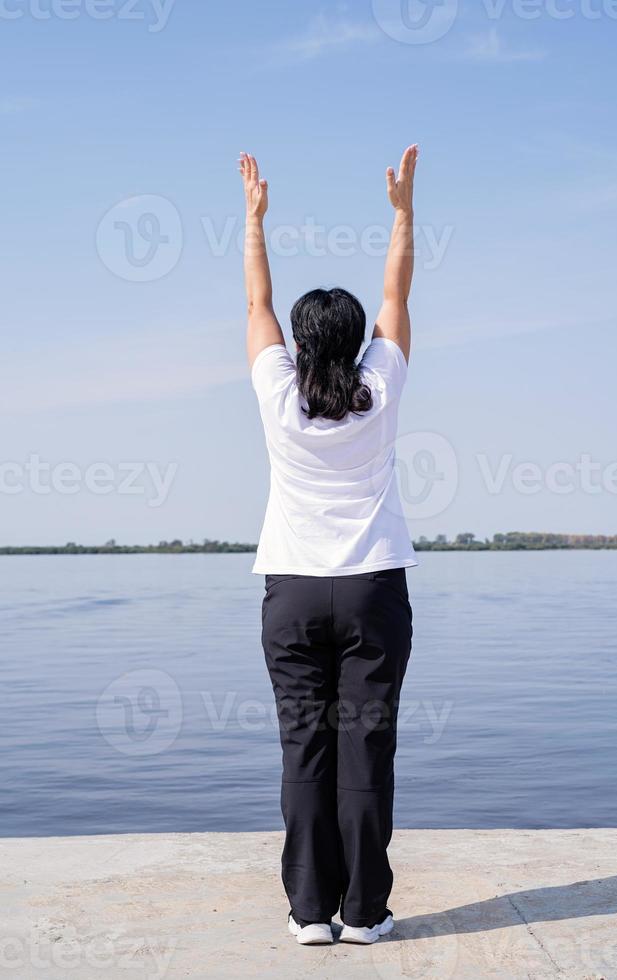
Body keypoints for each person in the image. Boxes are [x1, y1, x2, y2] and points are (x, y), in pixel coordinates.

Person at [239, 145, 419, 946]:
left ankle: (309, 914)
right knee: (365, 750)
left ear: (301, 347)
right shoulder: (377, 390)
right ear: (353, 342)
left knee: (302, 747)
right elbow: (394, 292)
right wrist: (403, 213)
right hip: (373, 586)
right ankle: (363, 913)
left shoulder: (279, 395)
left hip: (293, 593)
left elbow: (256, 304)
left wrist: (253, 220)